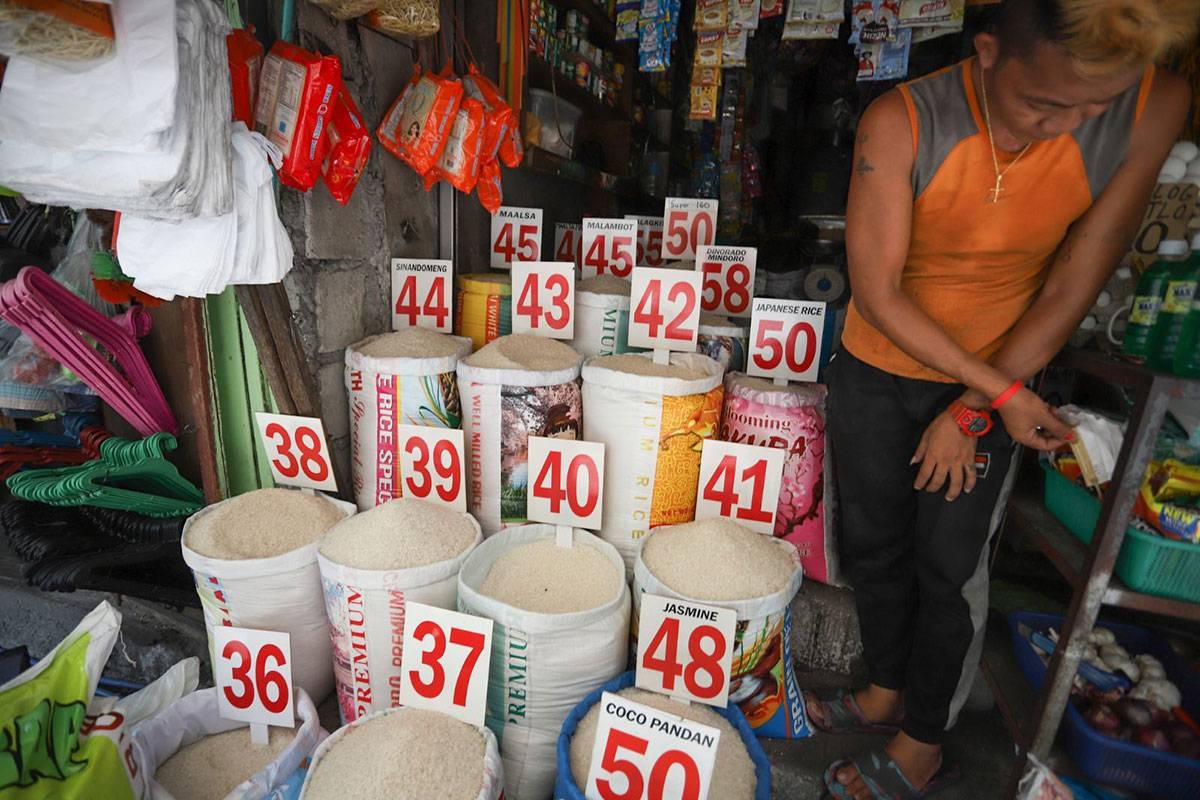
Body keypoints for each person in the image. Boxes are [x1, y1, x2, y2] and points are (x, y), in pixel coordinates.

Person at [805, 2, 1198, 798]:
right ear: (988, 52)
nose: (1070, 125)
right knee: (875, 545)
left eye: (1094, 108)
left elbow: (1072, 282)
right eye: (1045, 104)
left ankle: (924, 739)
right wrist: (999, 394)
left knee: (948, 566)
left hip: (1000, 370)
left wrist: (975, 408)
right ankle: (885, 686)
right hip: (880, 368)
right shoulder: (902, 120)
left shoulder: (1154, 103)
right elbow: (877, 295)